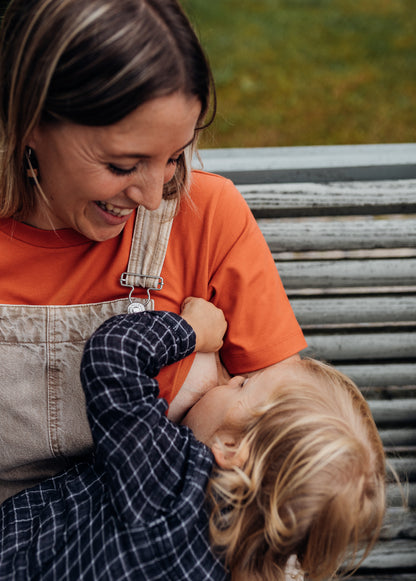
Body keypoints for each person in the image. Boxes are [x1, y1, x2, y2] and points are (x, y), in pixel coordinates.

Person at [0, 0, 307, 504]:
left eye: (173, 156)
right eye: (124, 165)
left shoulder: (207, 217)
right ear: (28, 117)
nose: (150, 196)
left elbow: (281, 443)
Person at [0, 298, 386, 581]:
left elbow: (113, 358)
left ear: (232, 448)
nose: (228, 377)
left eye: (241, 384)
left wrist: (191, 330)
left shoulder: (171, 478)